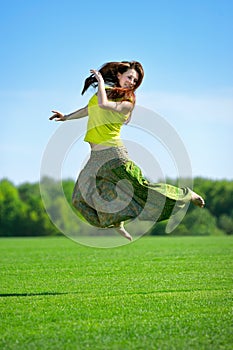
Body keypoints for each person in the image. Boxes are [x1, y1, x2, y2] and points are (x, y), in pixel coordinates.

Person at [50, 61, 205, 241]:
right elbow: (88, 109)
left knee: (141, 190)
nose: (132, 82)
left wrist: (100, 83)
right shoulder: (106, 93)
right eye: (129, 77)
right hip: (95, 158)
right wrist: (66, 117)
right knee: (79, 198)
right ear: (119, 76)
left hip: (114, 155)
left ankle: (186, 195)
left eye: (135, 80)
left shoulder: (127, 102)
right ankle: (116, 222)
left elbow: (103, 105)